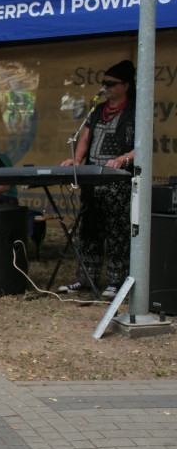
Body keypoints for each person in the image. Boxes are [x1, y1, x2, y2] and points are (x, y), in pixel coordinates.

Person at [58, 59, 136, 299]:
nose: (106, 87)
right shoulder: (97, 109)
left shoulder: (135, 111)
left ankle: (115, 282)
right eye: (104, 83)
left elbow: (142, 147)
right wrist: (78, 160)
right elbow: (85, 137)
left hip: (118, 182)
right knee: (89, 230)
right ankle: (85, 279)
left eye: (111, 84)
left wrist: (122, 159)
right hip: (94, 180)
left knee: (117, 233)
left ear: (126, 85)